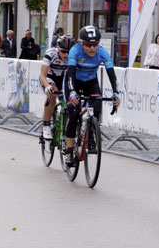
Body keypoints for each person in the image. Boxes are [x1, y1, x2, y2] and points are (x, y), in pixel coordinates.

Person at [63, 26, 120, 165]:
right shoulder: (75, 51)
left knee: (97, 107)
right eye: (88, 45)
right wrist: (72, 92)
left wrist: (116, 92)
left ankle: (91, 135)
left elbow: (111, 74)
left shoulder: (102, 52)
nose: (92, 48)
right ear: (82, 43)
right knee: (74, 112)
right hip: (74, 82)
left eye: (95, 45)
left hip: (90, 82)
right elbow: (70, 74)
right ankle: (69, 151)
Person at [39, 35, 75, 139]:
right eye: (63, 52)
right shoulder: (51, 53)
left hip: (63, 79)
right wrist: (47, 86)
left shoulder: (74, 56)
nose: (66, 55)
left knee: (68, 101)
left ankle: (63, 129)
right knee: (53, 95)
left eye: (69, 52)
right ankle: (46, 125)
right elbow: (42, 75)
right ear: (58, 49)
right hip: (49, 77)